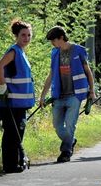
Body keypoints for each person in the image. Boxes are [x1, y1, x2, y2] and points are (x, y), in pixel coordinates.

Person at [40, 26, 96, 163]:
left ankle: (65, 152)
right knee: (57, 125)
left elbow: (88, 72)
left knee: (70, 124)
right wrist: (42, 96)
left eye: (53, 41)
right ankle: (71, 141)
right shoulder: (54, 53)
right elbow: (51, 75)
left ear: (61, 38)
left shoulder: (78, 50)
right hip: (58, 95)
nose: (52, 44)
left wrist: (92, 91)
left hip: (75, 95)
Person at [0, 20, 35, 173]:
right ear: (16, 36)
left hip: (20, 103)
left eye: (29, 35)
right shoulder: (13, 51)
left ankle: (17, 162)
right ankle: (10, 166)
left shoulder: (21, 52)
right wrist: (3, 86)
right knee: (12, 135)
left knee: (17, 134)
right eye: (23, 35)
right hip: (11, 102)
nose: (26, 38)